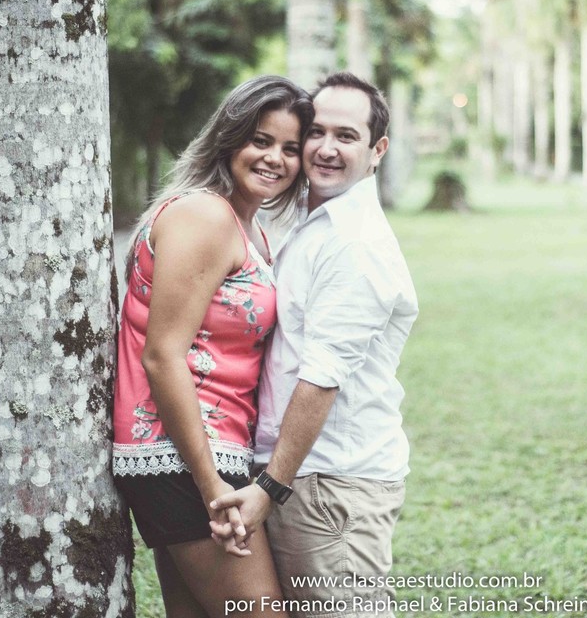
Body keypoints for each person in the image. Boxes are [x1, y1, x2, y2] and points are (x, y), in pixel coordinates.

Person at [211, 72, 419, 618]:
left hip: (330, 485)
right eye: (317, 132)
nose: (326, 149)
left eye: (346, 136)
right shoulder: (313, 221)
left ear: (377, 152)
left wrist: (269, 486)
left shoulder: (354, 244)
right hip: (301, 476)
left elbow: (321, 377)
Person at [111, 75, 313, 618]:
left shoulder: (246, 227)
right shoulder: (204, 216)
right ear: (230, 138)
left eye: (291, 148)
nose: (275, 158)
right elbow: (162, 355)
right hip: (182, 458)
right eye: (261, 140)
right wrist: (212, 487)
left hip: (201, 454)